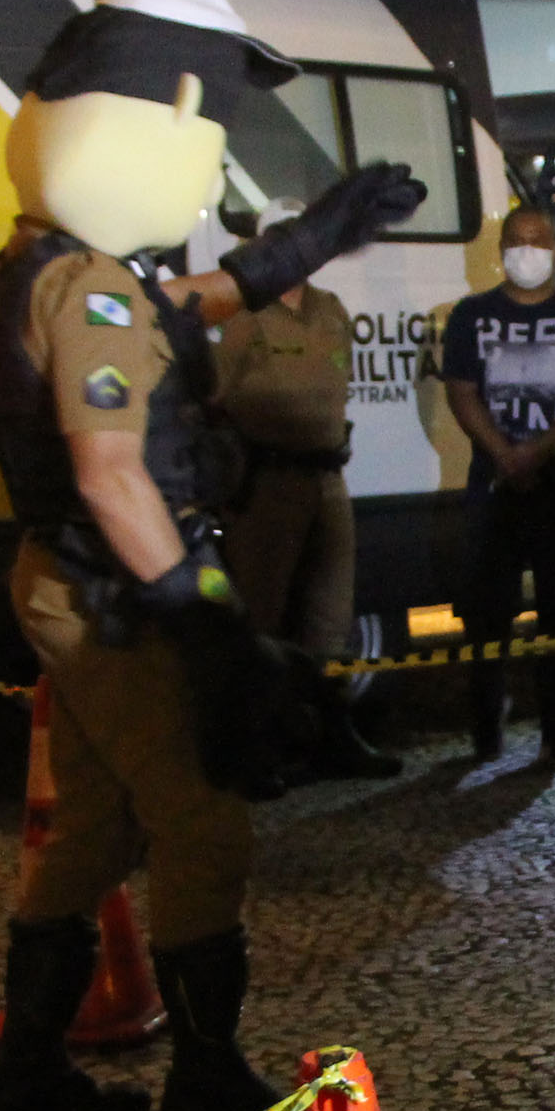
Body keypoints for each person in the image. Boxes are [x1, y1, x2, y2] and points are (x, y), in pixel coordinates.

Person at [0, 0, 421, 1111]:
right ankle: (206, 1080)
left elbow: (186, 306)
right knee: (204, 821)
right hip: (117, 592)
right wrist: (198, 609)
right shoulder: (90, 288)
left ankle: (26, 1072)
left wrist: (304, 245)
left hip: (70, 580)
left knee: (96, 826)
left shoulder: (39, 266)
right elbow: (112, 469)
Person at [211, 204, 401, 779]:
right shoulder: (242, 313)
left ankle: (334, 737)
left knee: (330, 621)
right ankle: (256, 750)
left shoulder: (330, 309)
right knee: (260, 622)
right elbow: (213, 399)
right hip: (268, 484)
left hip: (327, 481)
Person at [440, 206, 555, 770]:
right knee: (484, 614)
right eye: (516, 240)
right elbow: (461, 392)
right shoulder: (471, 315)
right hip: (493, 488)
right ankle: (485, 729)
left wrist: (538, 451)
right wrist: (503, 453)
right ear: (501, 250)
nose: (527, 250)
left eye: (537, 240)